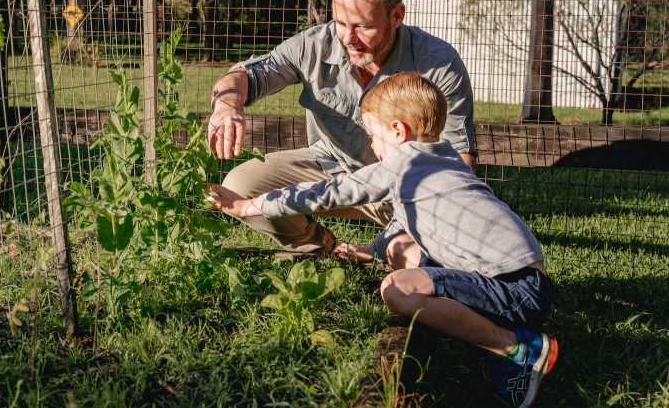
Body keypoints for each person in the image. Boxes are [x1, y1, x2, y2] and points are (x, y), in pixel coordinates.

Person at [206, 72, 557, 408]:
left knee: (397, 291)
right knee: (396, 247)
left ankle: (517, 348)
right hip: (524, 280)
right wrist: (370, 251)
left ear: (397, 131)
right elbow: (406, 220)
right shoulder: (439, 157)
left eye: (372, 135)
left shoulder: (403, 162)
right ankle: (480, 330)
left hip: (515, 290)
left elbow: (332, 191)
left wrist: (253, 204)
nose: (371, 146)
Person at [207, 0, 476, 253]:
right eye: (340, 22)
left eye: (362, 26)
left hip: (401, 188)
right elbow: (247, 75)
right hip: (329, 171)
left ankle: (393, 245)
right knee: (238, 186)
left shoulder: (439, 63)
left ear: (397, 16)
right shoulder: (314, 45)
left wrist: (429, 218)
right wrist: (227, 106)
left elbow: (458, 161)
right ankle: (318, 247)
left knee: (407, 257)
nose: (348, 38)